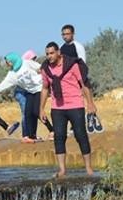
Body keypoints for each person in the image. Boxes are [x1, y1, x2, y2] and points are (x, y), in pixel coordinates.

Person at [39, 42, 93, 177]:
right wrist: (41, 109)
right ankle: (62, 170)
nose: (49, 56)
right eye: (47, 54)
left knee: (81, 136)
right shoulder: (45, 69)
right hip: (57, 108)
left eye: (52, 53)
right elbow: (45, 88)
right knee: (59, 137)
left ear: (58, 53)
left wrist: (90, 103)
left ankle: (88, 168)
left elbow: (84, 84)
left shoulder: (72, 65)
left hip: (75, 105)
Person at [0, 53, 44, 143]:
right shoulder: (12, 74)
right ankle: (30, 136)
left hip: (39, 89)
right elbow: (3, 85)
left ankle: (50, 131)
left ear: (12, 60)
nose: (7, 64)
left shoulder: (26, 63)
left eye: (8, 62)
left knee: (35, 112)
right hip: (29, 92)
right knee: (27, 113)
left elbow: (41, 67)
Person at [60, 24, 103, 133]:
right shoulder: (61, 48)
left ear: (73, 34)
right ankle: (75, 124)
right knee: (72, 102)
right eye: (63, 34)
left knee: (88, 99)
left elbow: (82, 62)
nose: (65, 36)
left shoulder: (78, 46)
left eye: (67, 34)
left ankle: (92, 116)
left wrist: (81, 78)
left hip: (79, 76)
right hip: (68, 80)